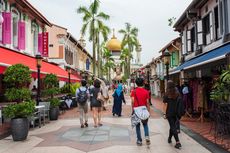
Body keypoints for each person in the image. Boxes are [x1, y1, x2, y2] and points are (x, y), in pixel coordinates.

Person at [130, 78, 151, 146]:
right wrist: (148, 111)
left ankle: (139, 140)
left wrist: (132, 109)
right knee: (145, 124)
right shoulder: (146, 91)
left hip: (136, 110)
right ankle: (147, 137)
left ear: (136, 83)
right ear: (143, 83)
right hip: (144, 109)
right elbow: (147, 102)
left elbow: (132, 101)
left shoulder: (134, 91)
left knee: (137, 126)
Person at [164, 80, 182, 149]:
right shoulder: (177, 93)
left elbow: (165, 104)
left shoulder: (167, 94)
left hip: (169, 113)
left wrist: (164, 113)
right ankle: (169, 138)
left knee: (173, 126)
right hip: (177, 112)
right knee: (172, 126)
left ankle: (178, 142)